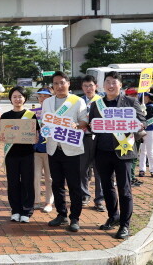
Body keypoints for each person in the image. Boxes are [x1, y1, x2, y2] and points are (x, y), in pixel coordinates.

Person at [89, 71, 145, 239]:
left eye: (114, 82)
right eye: (108, 82)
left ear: (120, 85)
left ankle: (124, 225)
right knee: (106, 187)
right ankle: (113, 216)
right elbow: (93, 126)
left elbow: (142, 121)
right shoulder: (96, 104)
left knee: (125, 189)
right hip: (102, 152)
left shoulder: (130, 102)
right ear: (103, 85)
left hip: (124, 152)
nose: (111, 85)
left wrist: (138, 125)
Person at [41, 71, 88, 233]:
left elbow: (85, 120)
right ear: (52, 86)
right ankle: (62, 214)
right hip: (54, 148)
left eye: (62, 82)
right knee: (57, 183)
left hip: (72, 149)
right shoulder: (47, 102)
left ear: (68, 83)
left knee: (74, 185)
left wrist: (77, 125)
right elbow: (45, 122)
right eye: (55, 83)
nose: (59, 86)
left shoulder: (77, 101)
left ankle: (75, 218)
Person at [0, 86, 38, 223]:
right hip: (11, 155)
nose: (17, 99)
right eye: (14, 96)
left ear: (25, 98)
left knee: (28, 182)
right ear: (10, 99)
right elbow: (2, 134)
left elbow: (36, 135)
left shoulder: (31, 115)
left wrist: (35, 138)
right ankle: (15, 210)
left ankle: (27, 211)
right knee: (13, 183)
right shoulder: (5, 116)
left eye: (20, 96)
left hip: (27, 154)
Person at [79, 75, 105, 211]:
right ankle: (85, 195)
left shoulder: (102, 101)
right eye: (85, 86)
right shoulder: (78, 101)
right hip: (83, 138)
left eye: (90, 85)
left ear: (96, 86)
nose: (88, 88)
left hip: (100, 138)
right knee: (82, 168)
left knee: (99, 169)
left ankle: (99, 199)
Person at [33, 87, 54, 213]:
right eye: (40, 96)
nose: (42, 98)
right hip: (36, 150)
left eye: (45, 96)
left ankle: (48, 202)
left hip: (50, 150)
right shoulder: (33, 113)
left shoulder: (55, 112)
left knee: (49, 178)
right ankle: (36, 201)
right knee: (35, 176)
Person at [139, 87, 153, 178]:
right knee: (143, 151)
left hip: (150, 131)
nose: (144, 98)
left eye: (145, 96)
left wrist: (144, 123)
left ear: (149, 97)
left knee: (149, 151)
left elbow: (152, 119)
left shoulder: (152, 106)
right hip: (143, 131)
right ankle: (142, 169)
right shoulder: (144, 105)